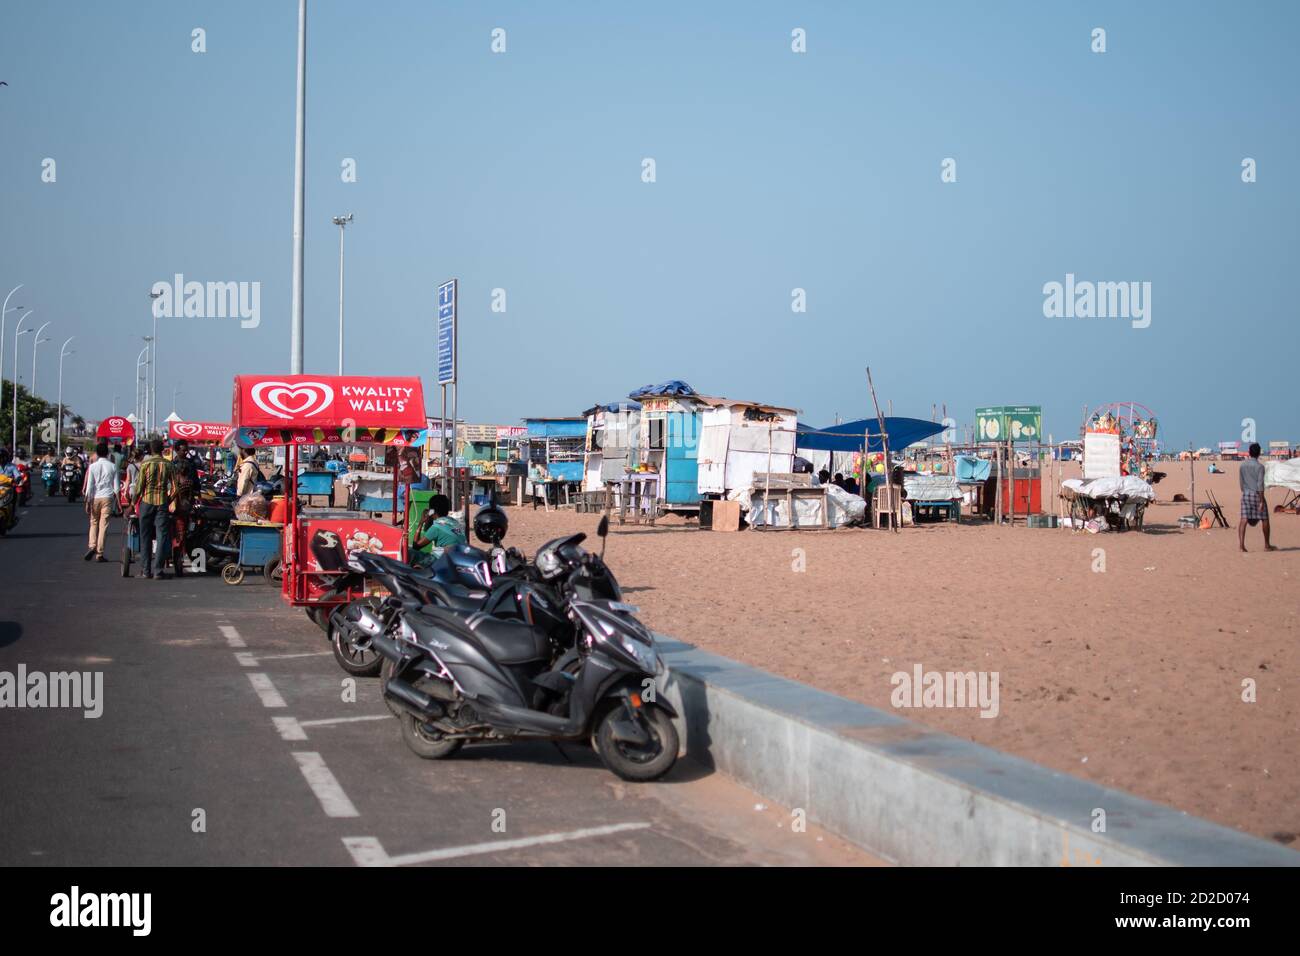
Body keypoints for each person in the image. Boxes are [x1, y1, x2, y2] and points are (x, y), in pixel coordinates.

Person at [132, 438, 177, 579]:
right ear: (162, 449)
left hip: (146, 503)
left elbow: (139, 487)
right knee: (161, 537)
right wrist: (167, 500)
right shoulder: (168, 464)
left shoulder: (145, 464)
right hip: (162, 504)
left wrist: (133, 504)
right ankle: (158, 570)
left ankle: (145, 571)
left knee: (145, 537)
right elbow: (175, 488)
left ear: (151, 450)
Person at [409, 494, 467, 568]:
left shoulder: (437, 527)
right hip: (458, 557)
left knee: (410, 552)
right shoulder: (454, 522)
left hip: (441, 559)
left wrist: (421, 523)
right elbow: (428, 530)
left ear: (432, 511)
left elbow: (416, 546)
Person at [82, 442, 118, 562]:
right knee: (104, 526)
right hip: (108, 497)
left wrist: (87, 502)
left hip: (95, 498)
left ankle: (92, 546)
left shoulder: (92, 467)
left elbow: (89, 486)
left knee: (93, 522)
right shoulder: (113, 466)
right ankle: (99, 553)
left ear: (96, 453)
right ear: (107, 454)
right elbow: (117, 488)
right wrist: (118, 504)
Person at [1237, 443, 1275, 553]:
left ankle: (1241, 546)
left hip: (1246, 494)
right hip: (1257, 495)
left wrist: (1245, 492)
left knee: (1243, 520)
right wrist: (1262, 501)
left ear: (1249, 452)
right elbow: (1260, 485)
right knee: (1265, 519)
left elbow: (1241, 483)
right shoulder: (1260, 467)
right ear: (1258, 453)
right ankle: (1267, 545)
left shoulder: (1242, 466)